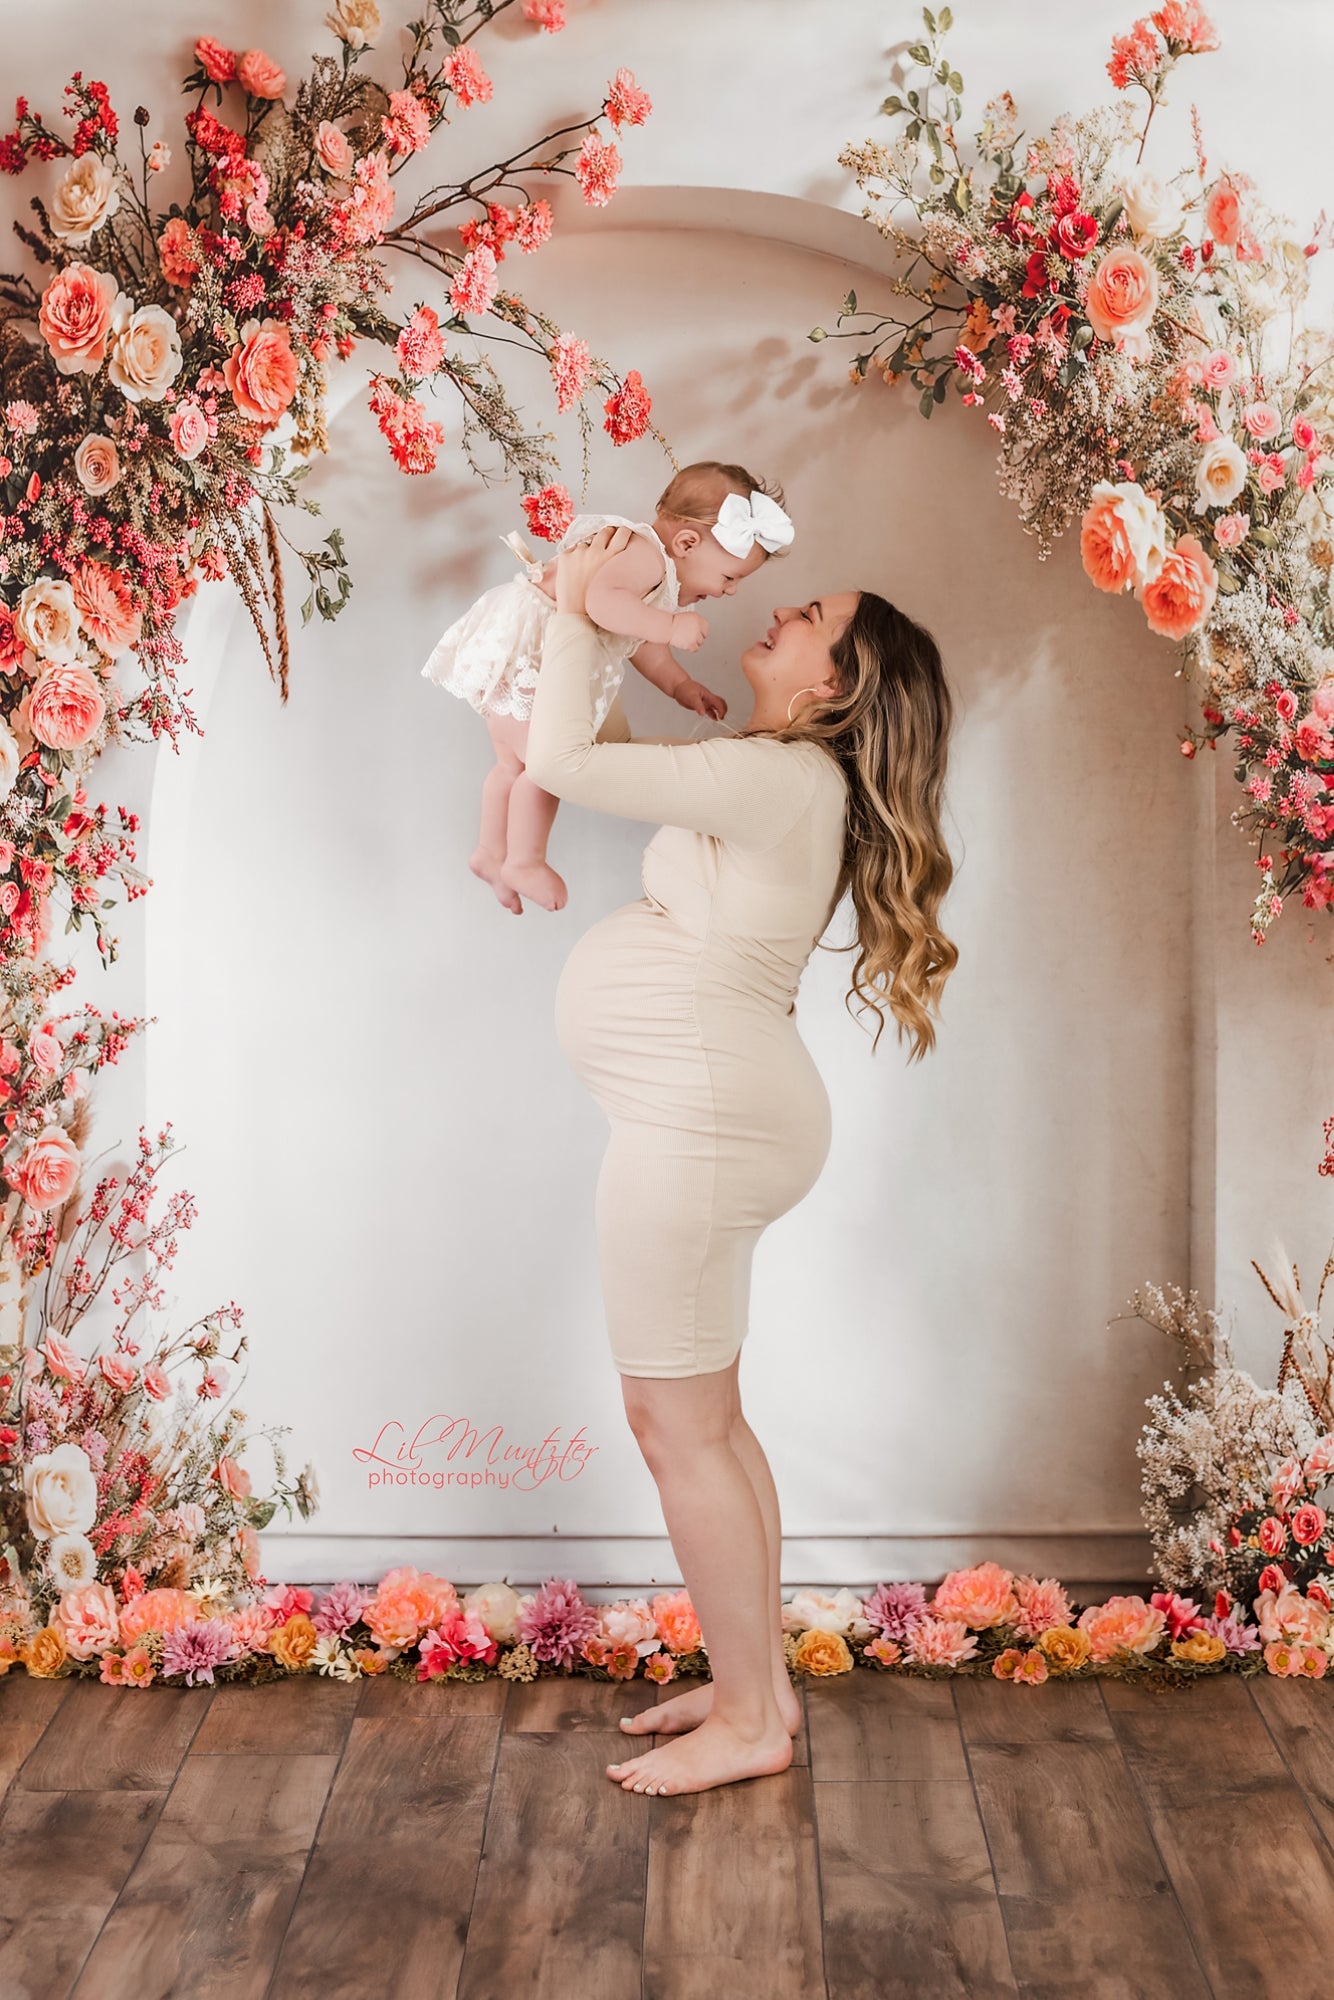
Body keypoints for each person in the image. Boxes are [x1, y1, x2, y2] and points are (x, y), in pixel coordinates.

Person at [523, 525, 959, 1798]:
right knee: (705, 1420)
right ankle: (751, 1687)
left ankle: (752, 1721)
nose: (775, 615)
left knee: (674, 1423)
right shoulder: (781, 776)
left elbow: (558, 756)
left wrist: (569, 604)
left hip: (701, 1118)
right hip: (710, 1111)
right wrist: (610, 626)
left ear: (837, 681)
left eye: (806, 616)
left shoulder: (779, 780)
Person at [421, 461, 795, 913]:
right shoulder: (645, 554)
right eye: (730, 577)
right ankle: (524, 861)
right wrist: (672, 625)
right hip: (535, 660)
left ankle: (490, 854)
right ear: (688, 543)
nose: (730, 591)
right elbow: (601, 604)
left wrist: (683, 686)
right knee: (545, 767)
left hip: (518, 659)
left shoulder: (651, 574)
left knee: (510, 768)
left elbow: (641, 645)